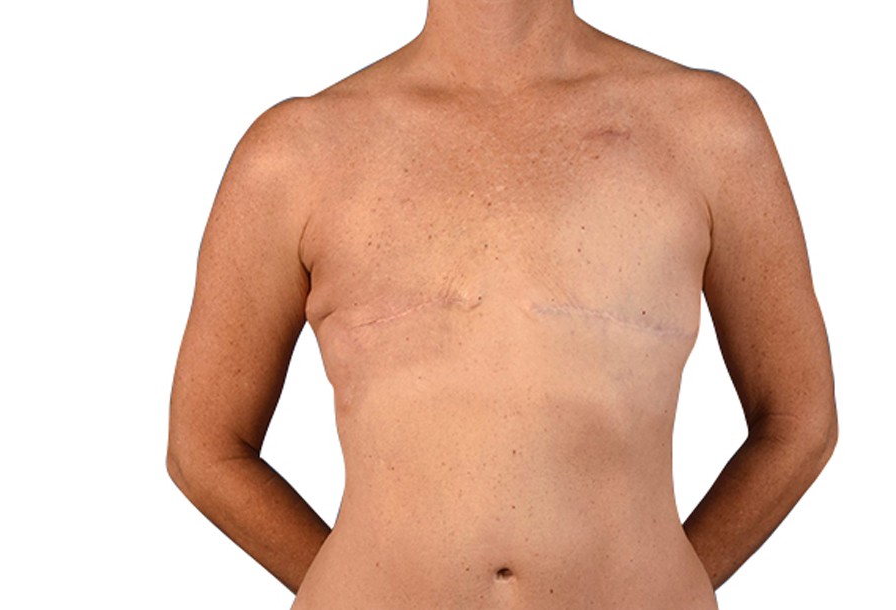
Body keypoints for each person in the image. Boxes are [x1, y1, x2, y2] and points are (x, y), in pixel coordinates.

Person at [166, 0, 838, 607]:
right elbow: (205, 449)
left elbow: (798, 421)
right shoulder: (296, 154)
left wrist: (671, 584)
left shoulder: (706, 131)